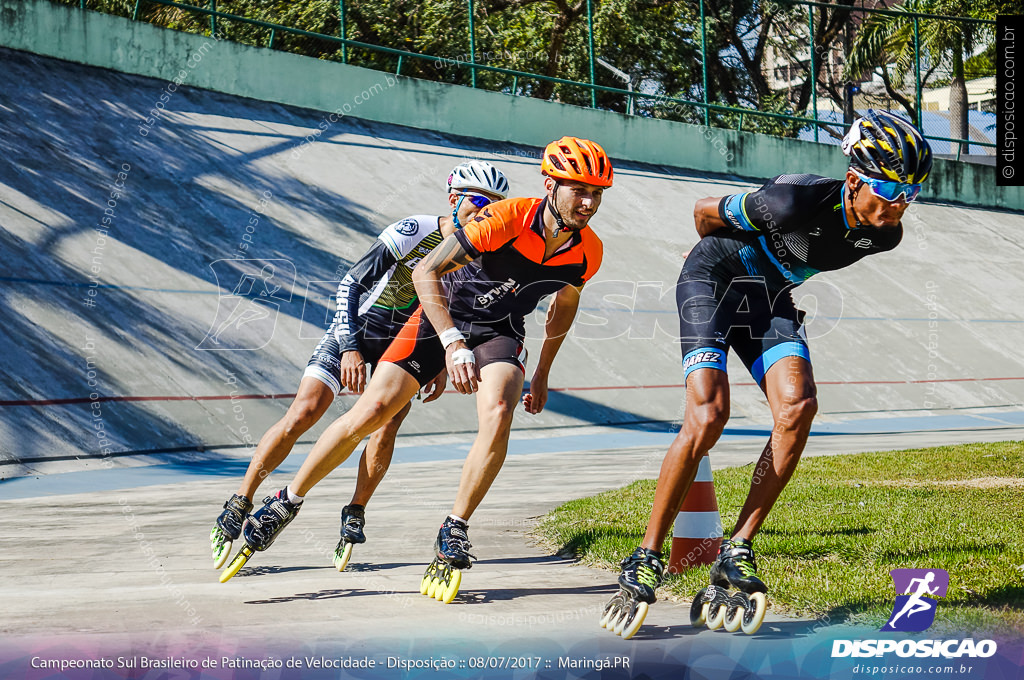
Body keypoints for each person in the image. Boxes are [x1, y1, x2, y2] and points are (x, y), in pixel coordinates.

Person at [237, 137, 611, 599]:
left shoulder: (588, 250)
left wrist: (543, 374)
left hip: (500, 332)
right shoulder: (508, 217)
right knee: (371, 413)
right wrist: (452, 342)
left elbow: (562, 310)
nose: (589, 202)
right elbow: (425, 272)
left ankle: (454, 527)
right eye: (580, 190)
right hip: (441, 318)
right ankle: (286, 501)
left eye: (597, 193)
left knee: (499, 408)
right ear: (551, 184)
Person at [606, 110, 934, 636]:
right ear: (854, 179)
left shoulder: (885, 234)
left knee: (799, 407)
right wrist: (721, 257)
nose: (900, 205)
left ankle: (737, 550)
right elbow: (702, 214)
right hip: (712, 280)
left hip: (768, 300)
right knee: (710, 414)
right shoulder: (792, 200)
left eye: (911, 194)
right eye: (890, 189)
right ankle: (645, 556)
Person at [210, 161, 510, 570]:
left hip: (404, 344)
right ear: (454, 199)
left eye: (494, 206)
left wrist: (441, 362)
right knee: (304, 412)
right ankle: (242, 497)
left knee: (385, 422)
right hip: (357, 329)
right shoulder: (416, 230)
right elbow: (351, 283)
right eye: (478, 202)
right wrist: (350, 346)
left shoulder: (479, 250)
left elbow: (454, 311)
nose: (484, 212)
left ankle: (355, 508)